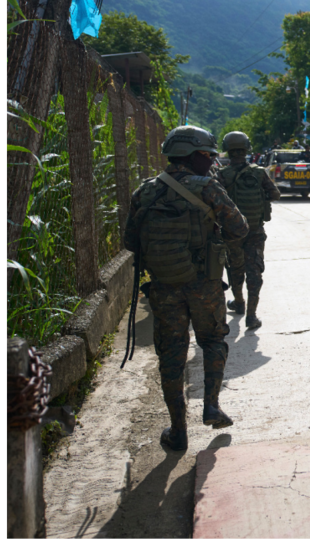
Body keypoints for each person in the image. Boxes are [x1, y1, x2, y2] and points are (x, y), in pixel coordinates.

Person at [123, 126, 249, 452]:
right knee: (212, 341)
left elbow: (130, 242)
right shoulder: (208, 187)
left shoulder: (145, 191)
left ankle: (178, 430)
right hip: (204, 285)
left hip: (164, 288)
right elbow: (239, 228)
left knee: (172, 354)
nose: (211, 161)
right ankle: (211, 405)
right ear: (192, 156)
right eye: (207, 155)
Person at [217, 131, 281, 330]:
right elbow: (275, 194)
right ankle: (251, 316)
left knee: (235, 269)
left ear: (228, 149)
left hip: (232, 232)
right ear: (246, 149)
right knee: (254, 271)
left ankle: (239, 303)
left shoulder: (222, 175)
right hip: (255, 231)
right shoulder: (259, 172)